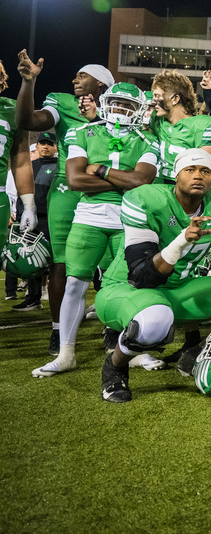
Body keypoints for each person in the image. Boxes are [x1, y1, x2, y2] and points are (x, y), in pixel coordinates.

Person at [93, 149, 211, 402]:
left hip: (181, 289)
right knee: (155, 320)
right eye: (190, 170)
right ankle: (116, 365)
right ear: (176, 175)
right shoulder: (146, 199)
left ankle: (196, 352)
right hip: (128, 290)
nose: (198, 175)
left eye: (205, 171)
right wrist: (180, 241)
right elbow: (143, 277)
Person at [32, 83, 158, 378]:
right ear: (103, 103)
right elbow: (75, 180)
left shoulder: (149, 140)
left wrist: (99, 170)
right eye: (114, 102)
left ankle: (132, 350)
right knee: (75, 284)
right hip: (88, 217)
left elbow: (142, 181)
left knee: (131, 285)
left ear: (138, 110)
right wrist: (124, 180)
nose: (119, 109)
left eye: (127, 105)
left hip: (130, 220)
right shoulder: (82, 132)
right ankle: (66, 354)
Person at [15, 52, 109, 347]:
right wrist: (28, 83)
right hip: (68, 191)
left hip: (108, 189)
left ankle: (113, 328)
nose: (74, 80)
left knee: (110, 267)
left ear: (101, 84)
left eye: (82, 76)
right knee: (61, 265)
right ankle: (58, 330)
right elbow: (28, 119)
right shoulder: (63, 102)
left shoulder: (118, 106)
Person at [149, 69, 211, 183]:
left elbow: (207, 182)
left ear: (175, 99)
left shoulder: (204, 126)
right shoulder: (158, 121)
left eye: (157, 96)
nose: (153, 100)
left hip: (188, 195)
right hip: (160, 193)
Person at [11, 132, 59, 317]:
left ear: (56, 147)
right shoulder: (28, 166)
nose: (45, 147)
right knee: (30, 260)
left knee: (55, 262)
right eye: (42, 144)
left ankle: (56, 298)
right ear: (36, 147)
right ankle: (33, 298)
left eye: (49, 144)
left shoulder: (60, 167)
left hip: (50, 220)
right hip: (30, 220)